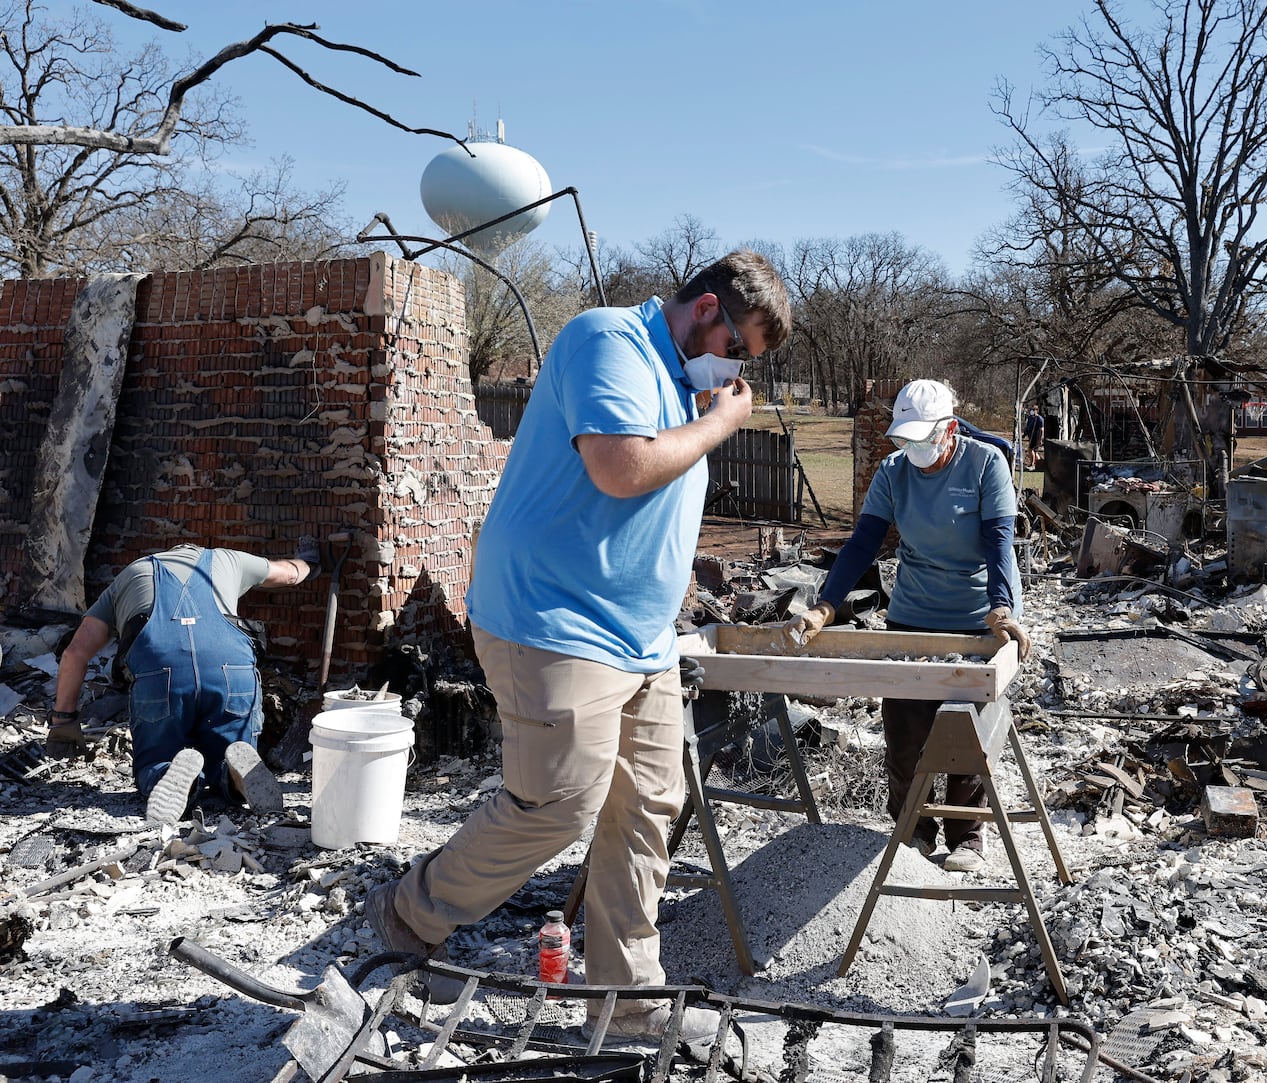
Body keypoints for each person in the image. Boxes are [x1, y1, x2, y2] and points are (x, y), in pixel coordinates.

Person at [362, 250, 791, 1047]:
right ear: (705, 312)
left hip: (641, 640)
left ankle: (627, 997)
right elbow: (621, 469)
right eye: (739, 349)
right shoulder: (609, 342)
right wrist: (719, 423)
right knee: (560, 802)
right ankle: (409, 910)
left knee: (646, 808)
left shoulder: (682, 384)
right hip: (549, 620)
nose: (736, 374)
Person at [785, 379, 1032, 872]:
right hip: (914, 612)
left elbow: (999, 542)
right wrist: (827, 605)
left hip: (978, 614)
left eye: (923, 438)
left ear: (951, 429)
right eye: (906, 440)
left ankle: (967, 835)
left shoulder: (986, 464)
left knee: (969, 731)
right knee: (905, 729)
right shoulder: (893, 472)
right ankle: (913, 828)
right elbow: (862, 543)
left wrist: (1001, 608)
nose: (914, 449)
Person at [48, 538, 322, 823]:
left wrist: (63, 720)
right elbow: (290, 574)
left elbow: (75, 653)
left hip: (161, 672)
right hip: (229, 668)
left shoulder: (131, 573)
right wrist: (311, 563)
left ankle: (165, 772)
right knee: (230, 748)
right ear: (196, 551)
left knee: (155, 758)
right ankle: (233, 775)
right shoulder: (228, 559)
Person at [1023, 404, 1045, 469]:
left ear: (1036, 411)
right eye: (1031, 410)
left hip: (1036, 437)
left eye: (1033, 410)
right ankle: (1038, 464)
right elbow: (1028, 427)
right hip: (1030, 436)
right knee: (1034, 451)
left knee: (1030, 449)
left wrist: (1040, 440)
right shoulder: (1030, 418)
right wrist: (1024, 434)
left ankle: (1032, 464)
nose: (1031, 411)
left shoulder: (1039, 419)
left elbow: (1041, 430)